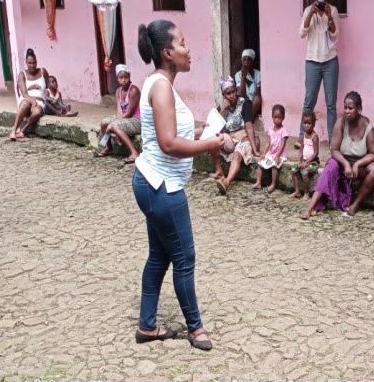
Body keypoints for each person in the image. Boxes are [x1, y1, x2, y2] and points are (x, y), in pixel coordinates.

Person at [132, 19, 223, 351]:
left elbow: (174, 136)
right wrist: (212, 145)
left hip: (152, 181)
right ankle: (195, 328)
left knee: (159, 255)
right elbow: (169, 143)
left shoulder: (161, 85)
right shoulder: (159, 87)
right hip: (162, 186)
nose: (189, 49)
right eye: (183, 43)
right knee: (184, 257)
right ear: (168, 52)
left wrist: (207, 133)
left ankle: (147, 326)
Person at [301, 91, 374, 219]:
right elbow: (334, 150)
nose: (347, 111)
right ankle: (310, 207)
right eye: (345, 108)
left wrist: (358, 164)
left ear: (359, 109)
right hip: (342, 162)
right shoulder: (341, 122)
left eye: (351, 108)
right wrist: (345, 164)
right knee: (330, 166)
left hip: (359, 165)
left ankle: (355, 204)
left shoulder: (366, 125)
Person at [297, 0, 340, 146]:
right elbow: (301, 33)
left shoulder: (334, 10)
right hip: (312, 62)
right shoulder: (309, 9)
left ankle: (332, 139)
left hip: (330, 61)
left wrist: (329, 16)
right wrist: (310, 14)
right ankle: (302, 136)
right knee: (309, 102)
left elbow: (335, 34)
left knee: (331, 104)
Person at [213, 76, 261, 194]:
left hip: (245, 138)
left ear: (236, 90)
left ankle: (226, 182)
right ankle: (219, 171)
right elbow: (216, 128)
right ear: (224, 95)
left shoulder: (245, 103)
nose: (232, 95)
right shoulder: (222, 107)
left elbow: (249, 127)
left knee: (237, 154)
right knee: (214, 138)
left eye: (233, 91)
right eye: (228, 93)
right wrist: (223, 111)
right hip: (231, 140)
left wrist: (255, 150)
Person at [96, 64, 142, 163]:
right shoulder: (118, 91)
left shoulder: (134, 90)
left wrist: (114, 124)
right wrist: (114, 122)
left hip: (137, 120)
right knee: (104, 123)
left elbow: (129, 113)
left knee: (114, 126)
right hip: (125, 118)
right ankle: (109, 147)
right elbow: (119, 110)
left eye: (126, 77)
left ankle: (134, 153)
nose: (124, 80)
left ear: (129, 77)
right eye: (121, 78)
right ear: (117, 79)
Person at [9, 48, 49, 140]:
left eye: (34, 62)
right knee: (25, 104)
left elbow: (47, 87)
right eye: (29, 63)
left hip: (40, 102)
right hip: (27, 99)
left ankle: (23, 130)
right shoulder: (22, 74)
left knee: (38, 112)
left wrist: (42, 98)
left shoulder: (43, 71)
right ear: (26, 63)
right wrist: (32, 101)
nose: (32, 65)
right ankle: (13, 130)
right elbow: (24, 93)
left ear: (36, 62)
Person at [252, 104, 289, 193]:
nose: (277, 120)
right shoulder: (271, 129)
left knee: (274, 166)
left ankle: (273, 184)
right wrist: (264, 153)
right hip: (271, 153)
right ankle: (258, 182)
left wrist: (278, 155)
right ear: (272, 117)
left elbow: (282, 144)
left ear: (283, 117)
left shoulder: (284, 131)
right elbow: (268, 142)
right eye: (275, 117)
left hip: (280, 154)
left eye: (279, 117)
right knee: (261, 163)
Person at [290, 111, 320, 199]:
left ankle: (306, 193)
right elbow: (301, 149)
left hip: (313, 162)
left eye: (309, 123)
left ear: (314, 124)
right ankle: (297, 191)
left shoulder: (314, 137)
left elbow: (315, 153)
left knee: (304, 172)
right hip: (304, 161)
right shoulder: (303, 135)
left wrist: (306, 162)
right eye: (305, 123)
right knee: (293, 169)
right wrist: (299, 160)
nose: (306, 125)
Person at [235, 48, 262, 117]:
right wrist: (243, 77)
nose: (246, 62)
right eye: (244, 59)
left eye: (249, 59)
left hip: (253, 104)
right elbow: (241, 94)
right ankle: (248, 121)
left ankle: (248, 120)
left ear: (252, 61)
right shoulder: (238, 75)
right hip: (243, 103)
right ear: (241, 61)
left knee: (257, 99)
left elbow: (258, 93)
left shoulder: (258, 74)